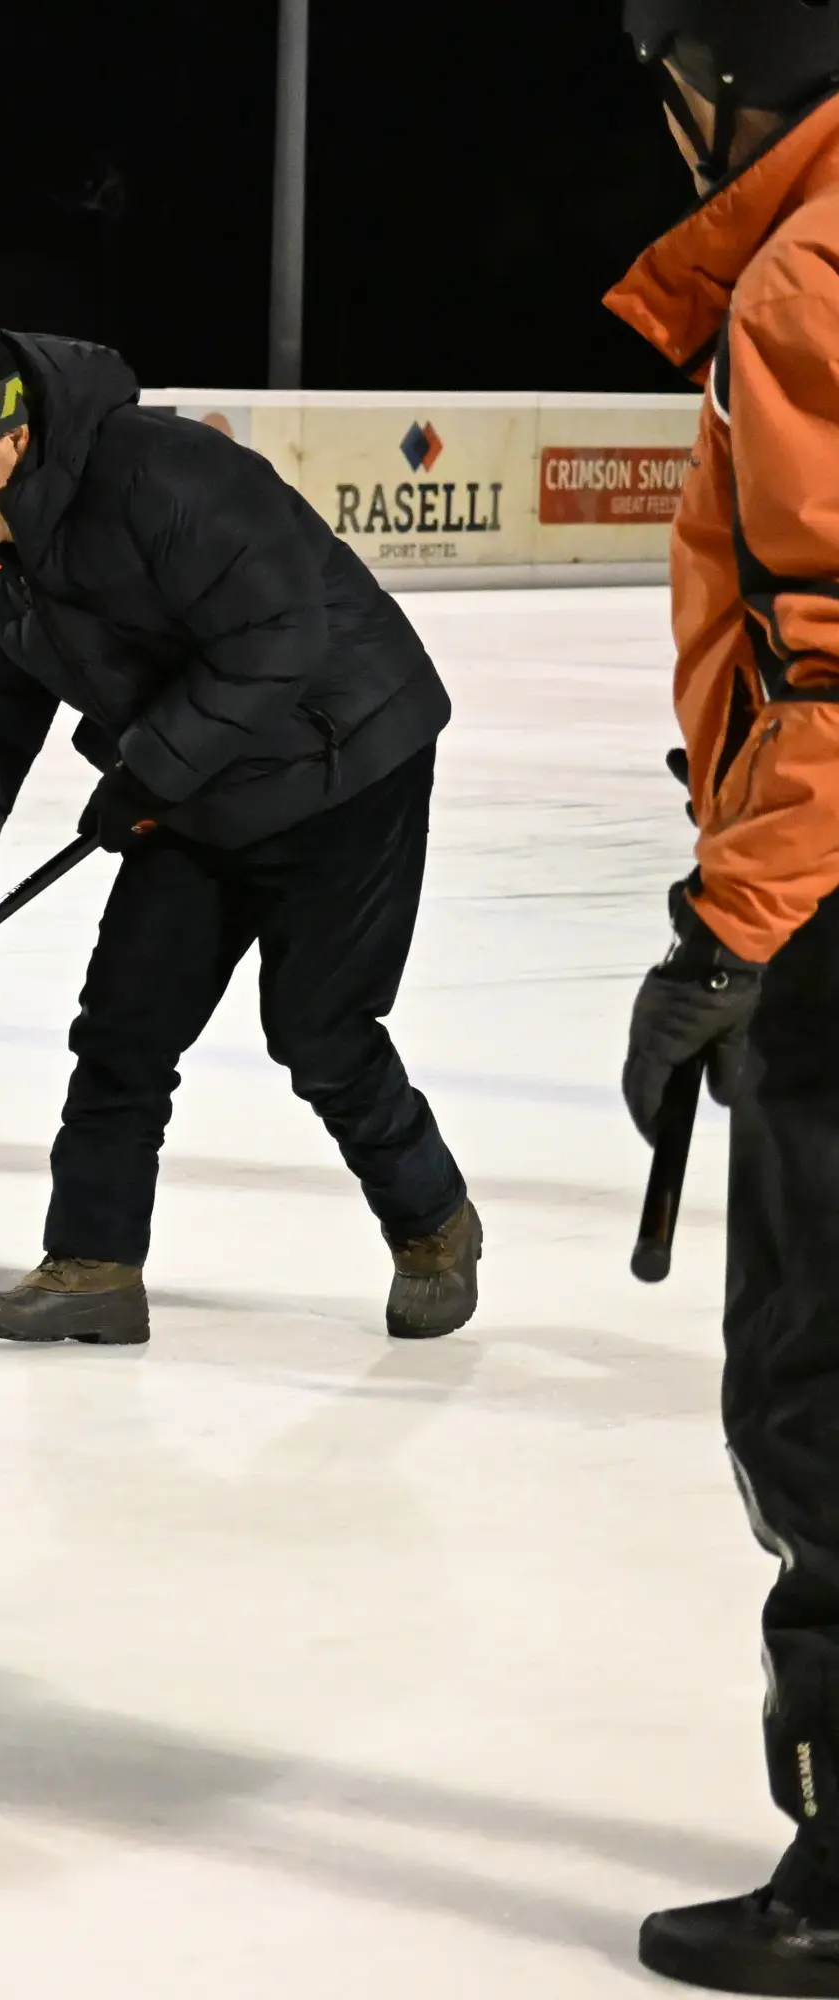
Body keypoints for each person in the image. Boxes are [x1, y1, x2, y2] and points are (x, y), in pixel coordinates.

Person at [0, 303, 476, 1349]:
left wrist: (147, 767)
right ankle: (94, 1264)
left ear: (13, 437)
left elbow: (279, 636)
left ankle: (432, 1221)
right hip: (196, 787)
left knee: (318, 1029)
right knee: (124, 1023)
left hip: (345, 757)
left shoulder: (161, 476)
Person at [606, 5, 839, 1986]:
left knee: (821, 1390)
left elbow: (837, 667)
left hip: (834, 898)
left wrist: (727, 933)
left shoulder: (811, 266)